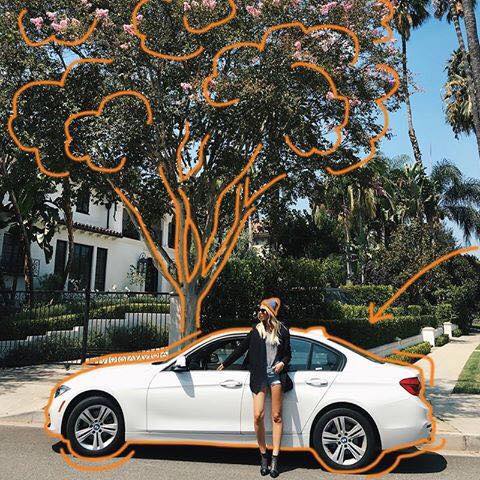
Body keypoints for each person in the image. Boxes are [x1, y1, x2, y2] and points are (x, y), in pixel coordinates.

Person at [217, 297, 292, 478]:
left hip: (276, 376)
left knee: (276, 416)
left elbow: (288, 354)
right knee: (258, 416)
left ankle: (275, 459)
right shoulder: (255, 331)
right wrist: (225, 364)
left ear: (270, 313)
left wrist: (282, 363)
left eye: (263, 310)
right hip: (259, 376)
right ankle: (263, 455)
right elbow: (240, 349)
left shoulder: (282, 331)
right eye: (259, 310)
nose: (259, 313)